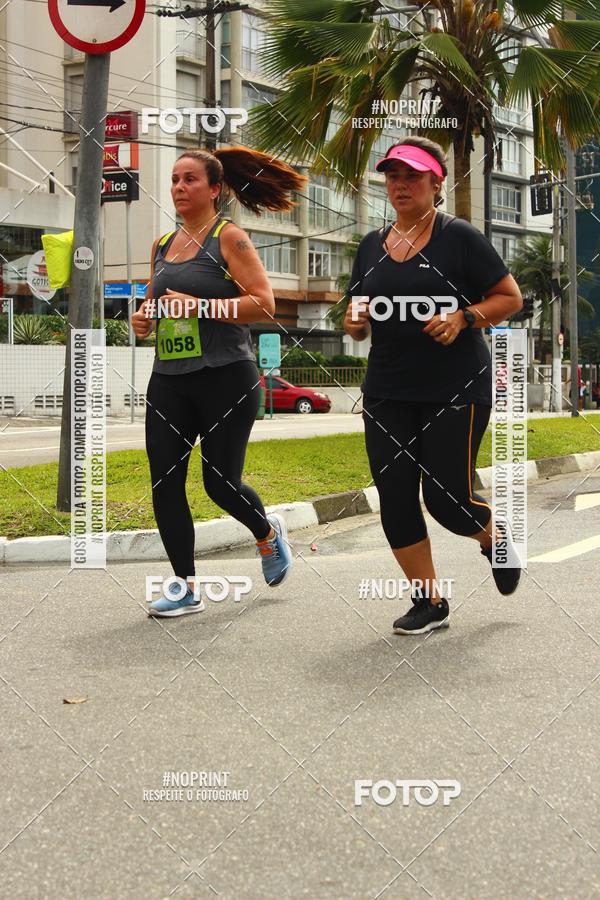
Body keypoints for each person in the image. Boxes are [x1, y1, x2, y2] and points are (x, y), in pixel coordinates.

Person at [344, 136, 524, 635]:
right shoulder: (370, 246)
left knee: (447, 500)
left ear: (436, 182)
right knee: (396, 497)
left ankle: (495, 536)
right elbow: (356, 317)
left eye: (412, 176)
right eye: (393, 175)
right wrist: (355, 318)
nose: (400, 185)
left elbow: (509, 297)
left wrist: (465, 317)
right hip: (386, 390)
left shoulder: (458, 237)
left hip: (456, 386)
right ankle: (429, 603)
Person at [131, 146, 306, 617]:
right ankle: (185, 586)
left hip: (227, 376)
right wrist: (144, 319)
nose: (179, 187)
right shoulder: (162, 245)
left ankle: (267, 534)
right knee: (165, 482)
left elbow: (265, 303)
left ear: (214, 189)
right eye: (174, 179)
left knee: (219, 483)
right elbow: (156, 302)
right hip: (169, 378)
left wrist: (204, 306)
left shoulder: (231, 239)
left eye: (190, 179)